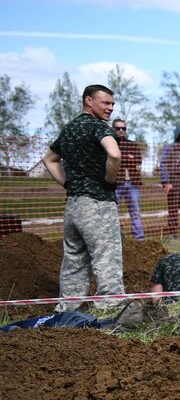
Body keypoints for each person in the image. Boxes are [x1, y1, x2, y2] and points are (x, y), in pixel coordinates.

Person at [41, 84, 125, 311]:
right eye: (105, 103)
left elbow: (49, 159)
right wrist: (109, 178)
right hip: (98, 203)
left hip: (73, 205)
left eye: (112, 104)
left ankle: (68, 313)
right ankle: (111, 310)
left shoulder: (69, 129)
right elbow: (114, 153)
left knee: (74, 261)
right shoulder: (99, 127)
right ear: (89, 101)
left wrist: (67, 183)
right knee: (106, 257)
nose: (110, 108)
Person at [112, 118, 145, 241]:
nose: (121, 130)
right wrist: (129, 157)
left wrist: (121, 157)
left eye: (123, 128)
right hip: (115, 184)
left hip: (133, 183)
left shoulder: (132, 144)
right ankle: (115, 237)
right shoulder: (109, 144)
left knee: (135, 212)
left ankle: (139, 238)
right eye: (118, 128)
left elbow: (138, 160)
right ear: (113, 129)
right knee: (113, 212)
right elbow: (111, 159)